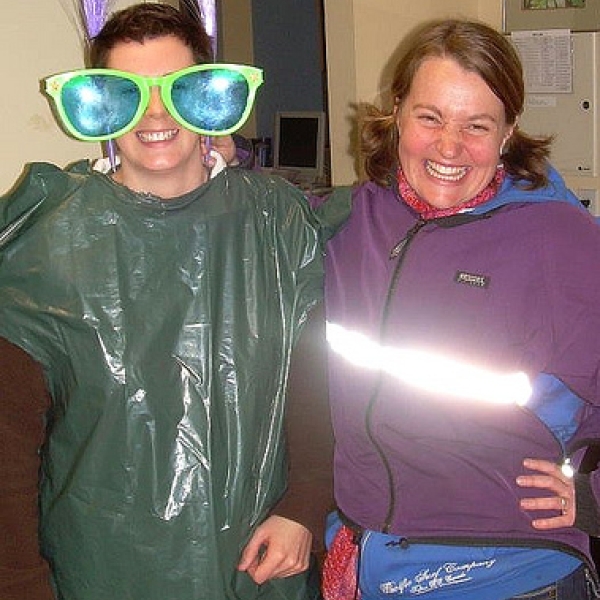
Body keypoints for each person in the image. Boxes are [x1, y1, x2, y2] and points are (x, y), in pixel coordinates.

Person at [0, 4, 349, 600]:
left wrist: (305, 506)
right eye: (128, 93)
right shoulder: (49, 243)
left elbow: (312, 384)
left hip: (256, 561)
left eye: (176, 89)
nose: (155, 113)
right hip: (99, 570)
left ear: (209, 98)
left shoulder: (276, 224)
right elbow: (9, 438)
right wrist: (22, 582)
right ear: (101, 107)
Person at [320, 18, 600, 600]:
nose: (449, 147)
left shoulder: (559, 240)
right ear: (396, 111)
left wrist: (594, 493)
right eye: (430, 117)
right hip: (373, 562)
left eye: (477, 125)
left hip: (509, 572)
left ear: (508, 133)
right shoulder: (354, 221)